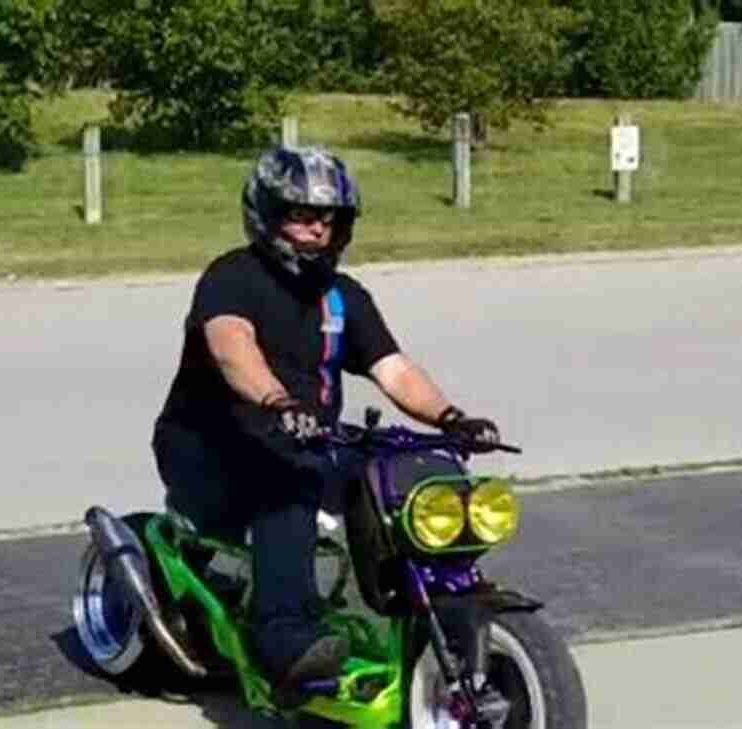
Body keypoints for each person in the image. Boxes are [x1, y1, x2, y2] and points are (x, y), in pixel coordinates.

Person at [152, 146, 500, 707]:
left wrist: (452, 419)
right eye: (303, 216)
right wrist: (275, 399)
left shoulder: (342, 295)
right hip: (208, 449)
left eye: (331, 219)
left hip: (306, 440)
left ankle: (422, 606)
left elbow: (394, 367)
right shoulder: (231, 277)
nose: (319, 230)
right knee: (288, 485)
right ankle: (284, 641)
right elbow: (229, 345)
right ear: (265, 215)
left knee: (404, 473)